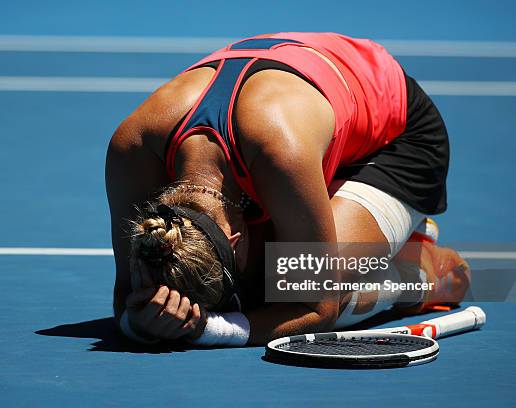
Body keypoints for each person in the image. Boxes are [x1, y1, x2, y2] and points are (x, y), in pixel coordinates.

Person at [105, 32, 469, 347]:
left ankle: (418, 272)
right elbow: (126, 294)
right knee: (274, 278)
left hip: (397, 136)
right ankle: (376, 234)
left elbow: (317, 308)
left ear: (233, 238)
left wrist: (207, 328)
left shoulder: (281, 152)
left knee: (285, 286)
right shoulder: (133, 150)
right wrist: (138, 321)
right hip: (302, 125)